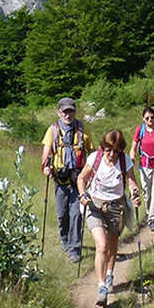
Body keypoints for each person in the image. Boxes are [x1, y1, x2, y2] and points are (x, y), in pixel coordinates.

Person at [79, 129, 141, 306]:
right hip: (95, 205)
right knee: (102, 245)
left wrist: (135, 193)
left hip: (116, 206)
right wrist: (83, 194)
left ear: (121, 150)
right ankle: (101, 287)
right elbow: (81, 178)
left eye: (116, 151)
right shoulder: (94, 159)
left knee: (113, 245)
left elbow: (131, 181)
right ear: (102, 148)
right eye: (108, 150)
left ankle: (109, 275)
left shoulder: (124, 160)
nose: (112, 154)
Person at [41, 97, 93, 263]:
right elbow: (46, 154)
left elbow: (92, 154)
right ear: (59, 112)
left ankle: (74, 249)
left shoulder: (82, 131)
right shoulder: (53, 131)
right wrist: (45, 168)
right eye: (64, 111)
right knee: (62, 215)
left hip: (78, 180)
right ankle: (65, 240)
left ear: (74, 112)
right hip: (60, 180)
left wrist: (92, 174)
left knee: (76, 215)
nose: (67, 114)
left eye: (70, 111)